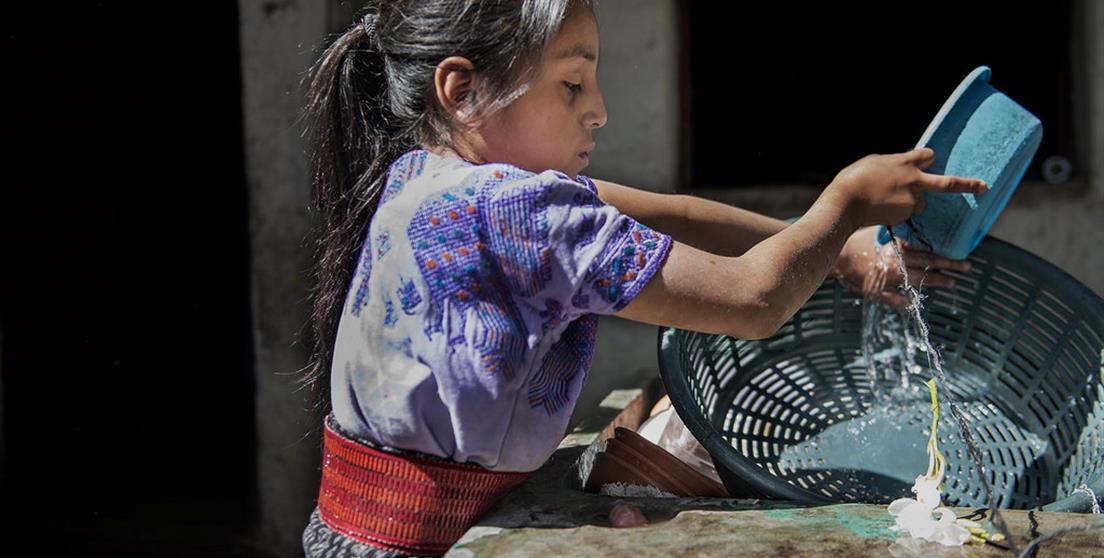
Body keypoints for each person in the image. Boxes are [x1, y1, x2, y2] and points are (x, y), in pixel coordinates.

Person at [297, 1, 986, 556]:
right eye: (572, 84)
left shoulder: (423, 180)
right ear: (463, 90)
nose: (598, 110)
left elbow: (681, 216)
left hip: (347, 534)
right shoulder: (518, 210)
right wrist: (847, 201)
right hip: (435, 545)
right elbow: (754, 301)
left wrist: (839, 250)